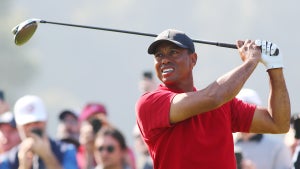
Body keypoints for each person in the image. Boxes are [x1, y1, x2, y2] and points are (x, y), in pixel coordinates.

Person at [135, 29, 290, 169]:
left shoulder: (225, 104)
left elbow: (278, 123)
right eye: (158, 55)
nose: (164, 60)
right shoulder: (149, 103)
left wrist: (274, 67)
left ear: (193, 59)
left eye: (173, 52)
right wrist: (251, 61)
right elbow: (213, 97)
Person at [4, 95, 78, 169]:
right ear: (18, 126)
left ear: (45, 120)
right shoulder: (9, 159)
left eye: (37, 122)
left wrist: (47, 156)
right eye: (27, 124)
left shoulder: (66, 150)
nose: (32, 127)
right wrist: (23, 166)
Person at [235, 88, 292, 169]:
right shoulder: (224, 144)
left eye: (248, 113)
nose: (244, 118)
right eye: (239, 113)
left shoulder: (278, 147)